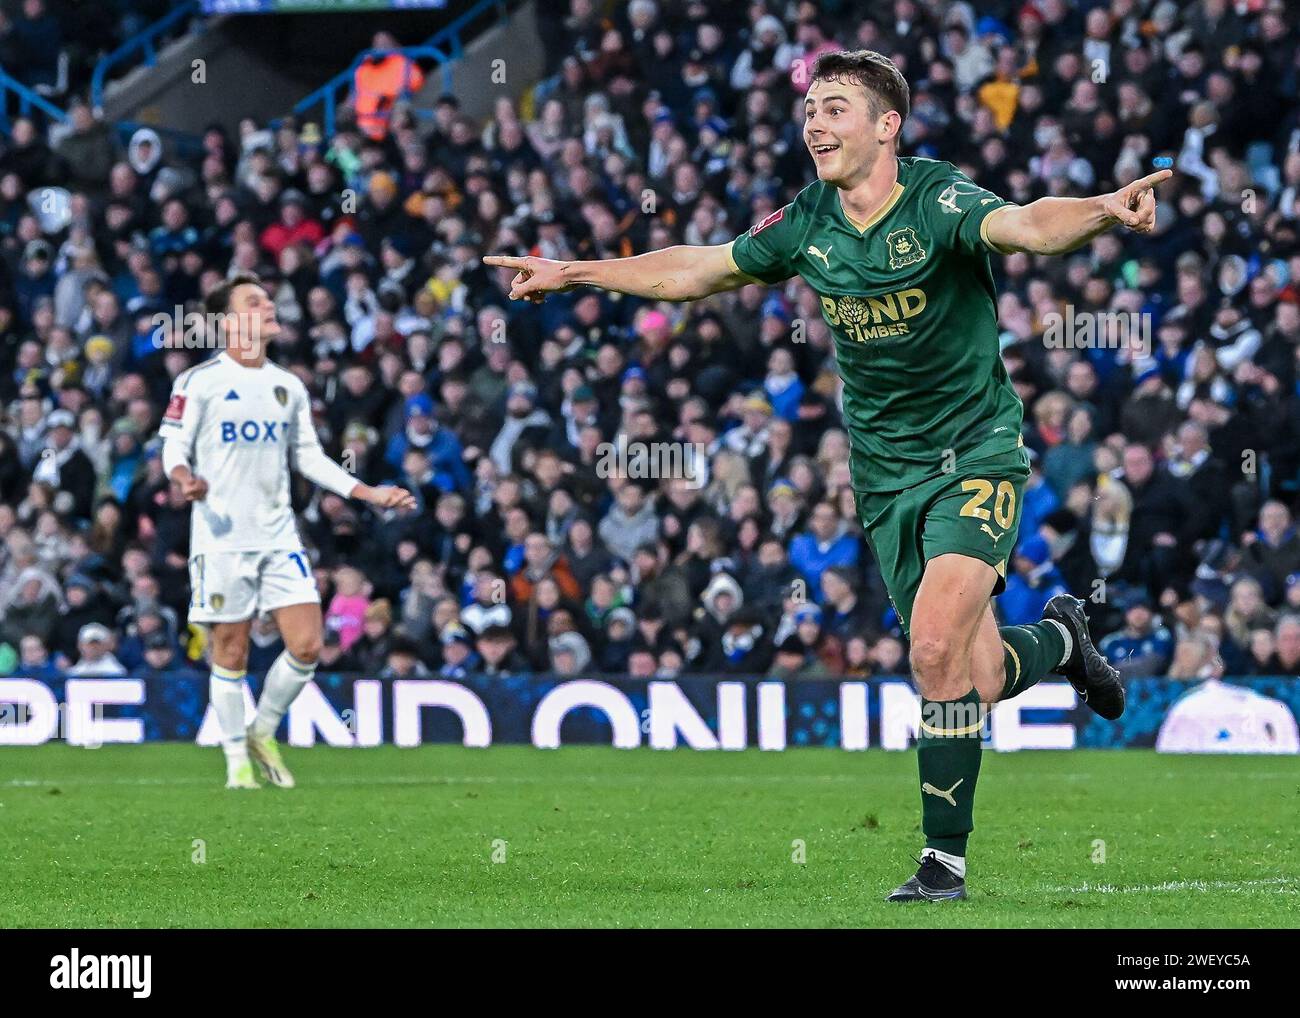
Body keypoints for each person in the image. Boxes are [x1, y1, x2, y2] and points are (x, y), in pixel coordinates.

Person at [485, 49, 1168, 903]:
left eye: (836, 106)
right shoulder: (807, 220)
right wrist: (575, 270)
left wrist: (1104, 210)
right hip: (884, 476)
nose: (816, 121)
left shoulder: (940, 199)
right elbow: (698, 268)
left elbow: (1028, 225)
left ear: (888, 126)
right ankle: (1066, 639)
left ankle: (942, 865)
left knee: (930, 651)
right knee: (975, 677)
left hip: (974, 454)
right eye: (810, 107)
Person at [160, 273, 414, 790]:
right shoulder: (198, 382)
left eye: (270, 300)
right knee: (230, 650)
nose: (270, 307)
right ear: (229, 321)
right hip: (222, 537)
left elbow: (307, 457)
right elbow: (172, 447)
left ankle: (263, 730)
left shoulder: (287, 385)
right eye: (255, 302)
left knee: (307, 644)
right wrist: (184, 477)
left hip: (278, 535)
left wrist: (364, 492)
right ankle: (236, 764)